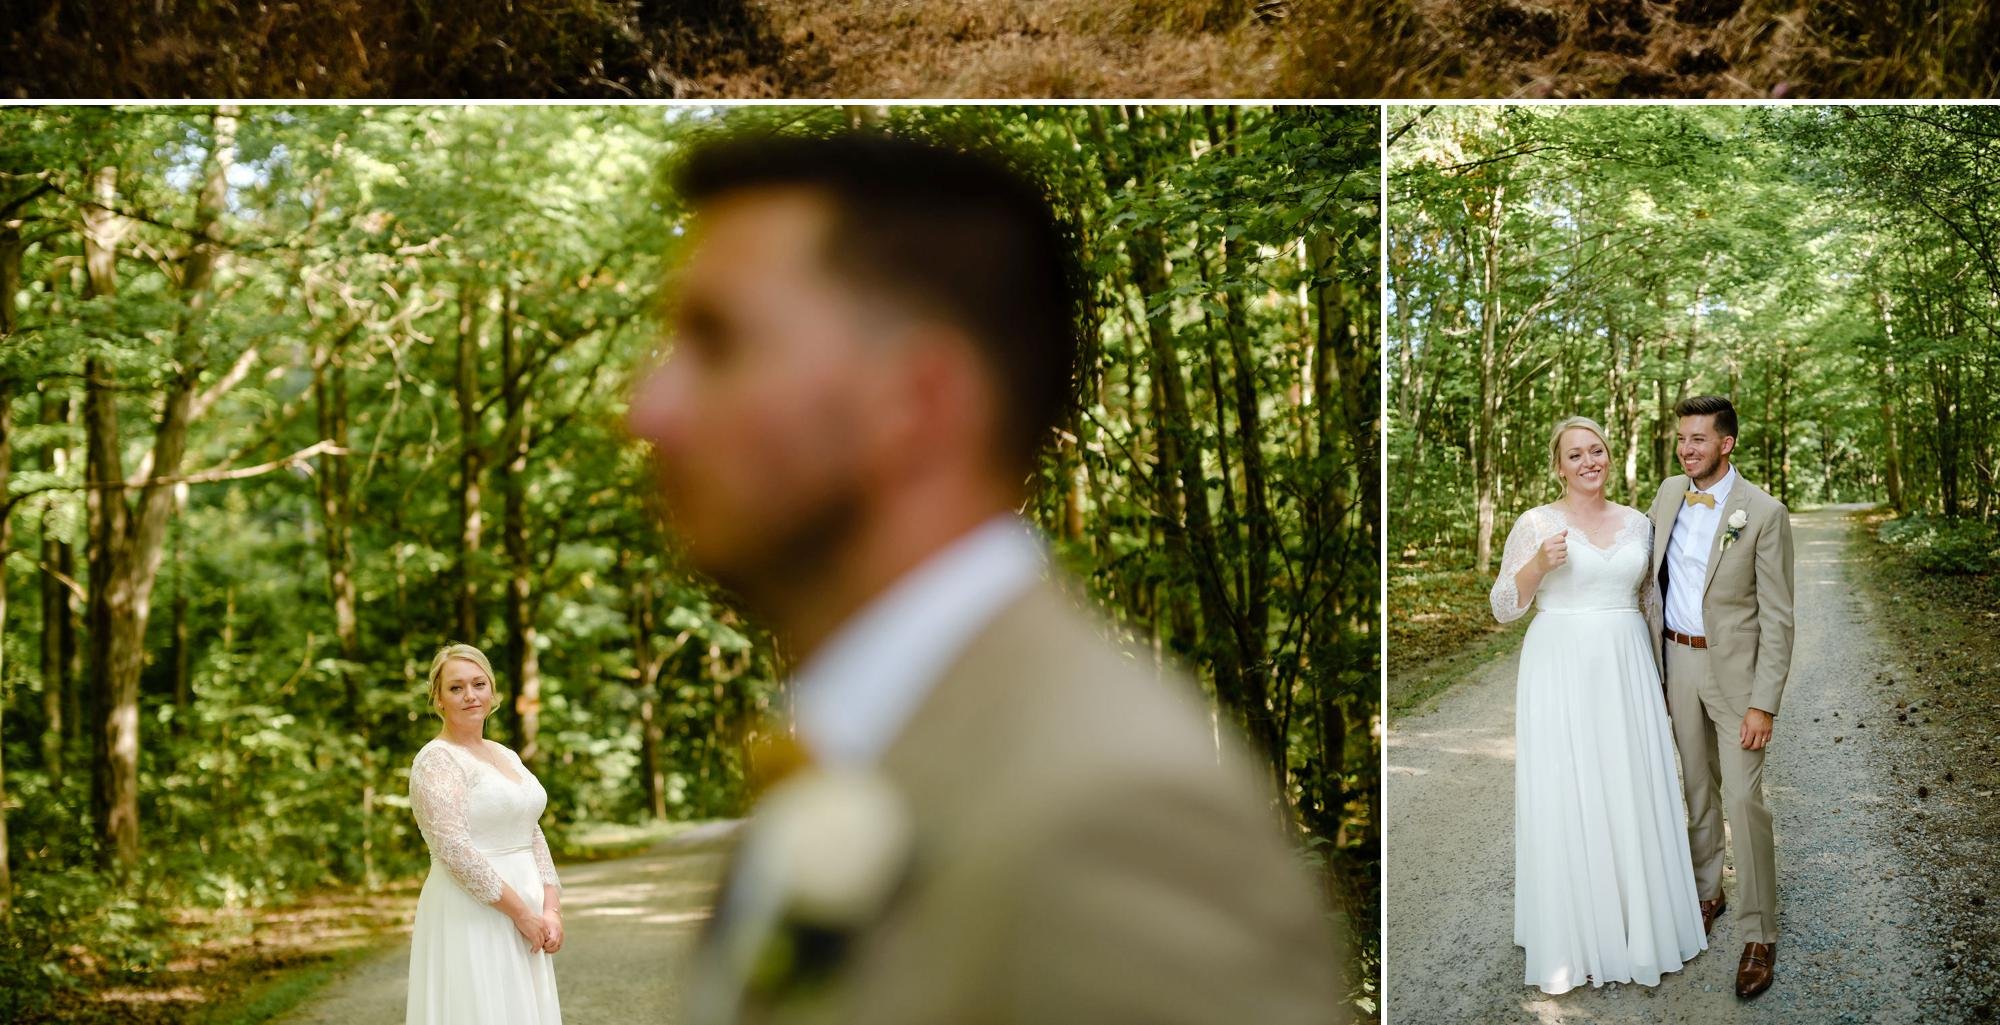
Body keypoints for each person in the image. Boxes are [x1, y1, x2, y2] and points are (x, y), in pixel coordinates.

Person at [627, 128, 1342, 1025]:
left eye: (718, 342)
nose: (646, 410)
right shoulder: (873, 743)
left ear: (918, 401)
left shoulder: (1115, 822)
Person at [1491, 417, 1706, 996]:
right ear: (1558, 466)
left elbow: (1651, 602)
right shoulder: (1535, 523)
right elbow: (1504, 606)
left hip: (1627, 663)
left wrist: (1664, 678)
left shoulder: (1639, 523)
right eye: (1576, 454)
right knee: (1570, 787)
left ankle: (1641, 926)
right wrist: (1538, 564)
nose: (1590, 461)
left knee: (1628, 783)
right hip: (1560, 664)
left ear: (1610, 457)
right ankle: (1574, 933)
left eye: (1598, 450)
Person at [1646, 395, 1796, 1004]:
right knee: (1697, 789)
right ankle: (1707, 893)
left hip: (1737, 677)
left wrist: (1765, 702)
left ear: (1726, 444)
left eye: (1699, 439)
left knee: (1742, 795)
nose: (1687, 449)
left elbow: (1779, 618)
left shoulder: (1762, 512)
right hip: (1676, 660)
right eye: (1682, 438)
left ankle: (1760, 933)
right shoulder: (1664, 495)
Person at [405, 643, 564, 1025]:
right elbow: (454, 850)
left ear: (492, 692)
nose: (470, 695)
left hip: (527, 909)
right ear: (438, 698)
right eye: (456, 688)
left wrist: (550, 909)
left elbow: (532, 830)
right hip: (472, 910)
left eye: (478, 684)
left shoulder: (505, 754)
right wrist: (522, 914)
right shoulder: (436, 760)